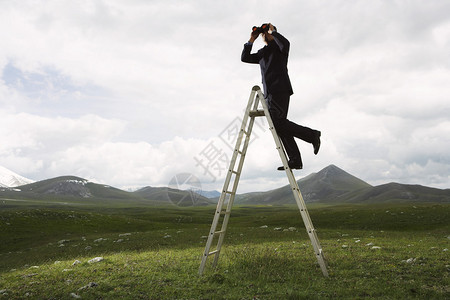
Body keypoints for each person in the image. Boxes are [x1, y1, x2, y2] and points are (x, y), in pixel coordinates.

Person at [241, 23, 321, 171]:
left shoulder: (280, 48)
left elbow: (286, 43)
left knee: (278, 123)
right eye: (263, 33)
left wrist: (273, 31)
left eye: (266, 32)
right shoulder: (262, 53)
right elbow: (244, 58)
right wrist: (252, 39)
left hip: (280, 90)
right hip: (269, 94)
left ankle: (312, 135)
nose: (265, 34)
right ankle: (296, 159)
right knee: (280, 125)